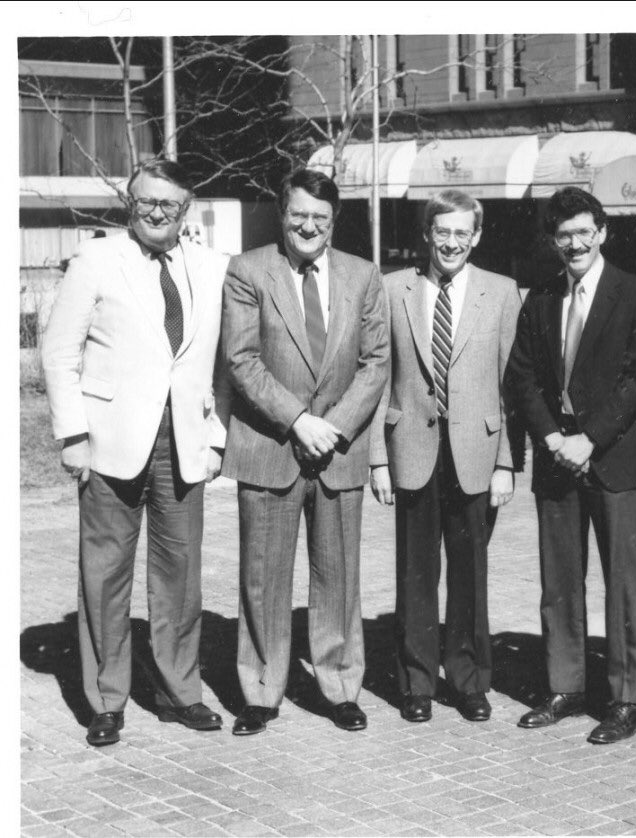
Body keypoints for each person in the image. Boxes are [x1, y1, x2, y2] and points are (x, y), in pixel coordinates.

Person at [41, 159, 229, 746]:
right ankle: (107, 699)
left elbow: (222, 362)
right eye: (146, 201)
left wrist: (217, 435)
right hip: (108, 443)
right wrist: (73, 437)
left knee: (181, 579)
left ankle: (179, 692)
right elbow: (58, 350)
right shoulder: (97, 260)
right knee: (105, 575)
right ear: (130, 203)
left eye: (168, 205)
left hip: (184, 444)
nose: (155, 212)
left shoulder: (212, 267)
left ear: (185, 210)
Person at [221, 168, 389, 736]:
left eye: (320, 217)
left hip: (337, 452)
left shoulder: (364, 276)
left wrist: (332, 427)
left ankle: (339, 685)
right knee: (263, 577)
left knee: (337, 575)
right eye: (299, 214)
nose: (308, 226)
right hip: (270, 445)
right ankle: (261, 691)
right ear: (280, 213)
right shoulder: (248, 271)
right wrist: (298, 421)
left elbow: (375, 364)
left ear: (334, 221)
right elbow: (242, 360)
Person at [505, 186, 636, 744]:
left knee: (625, 582)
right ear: (553, 240)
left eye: (583, 232)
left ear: (602, 232)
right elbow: (521, 375)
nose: (574, 243)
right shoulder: (541, 297)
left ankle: (629, 696)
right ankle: (565, 685)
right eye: (563, 234)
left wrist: (588, 439)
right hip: (556, 461)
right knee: (560, 582)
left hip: (612, 460)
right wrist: (551, 436)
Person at [368, 189, 522, 724]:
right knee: (415, 573)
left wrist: (505, 462)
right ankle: (415, 681)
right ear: (427, 234)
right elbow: (376, 378)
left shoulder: (502, 293)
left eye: (463, 233)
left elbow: (511, 385)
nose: (451, 242)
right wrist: (376, 460)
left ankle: (468, 679)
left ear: (476, 236)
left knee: (469, 574)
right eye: (443, 232)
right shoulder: (392, 290)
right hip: (410, 447)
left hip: (476, 452)